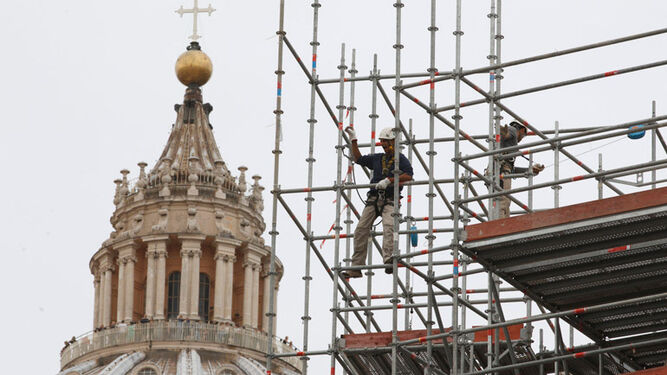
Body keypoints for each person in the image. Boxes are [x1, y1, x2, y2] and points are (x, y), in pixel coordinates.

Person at [342, 126, 414, 278]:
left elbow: (409, 176)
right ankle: (356, 266)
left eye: (387, 142)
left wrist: (390, 180)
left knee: (389, 226)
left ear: (394, 142)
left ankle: (389, 259)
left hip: (390, 200)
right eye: (382, 142)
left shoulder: (400, 159)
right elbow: (359, 159)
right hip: (374, 198)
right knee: (361, 230)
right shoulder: (377, 158)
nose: (384, 145)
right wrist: (354, 140)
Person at [497, 121, 544, 218]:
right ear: (522, 130)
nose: (521, 140)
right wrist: (505, 133)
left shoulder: (509, 146)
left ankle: (502, 223)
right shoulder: (513, 130)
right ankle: (500, 226)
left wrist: (529, 170)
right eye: (523, 136)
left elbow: (512, 169)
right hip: (502, 171)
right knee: (503, 201)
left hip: (499, 170)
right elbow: (507, 134)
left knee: (501, 201)